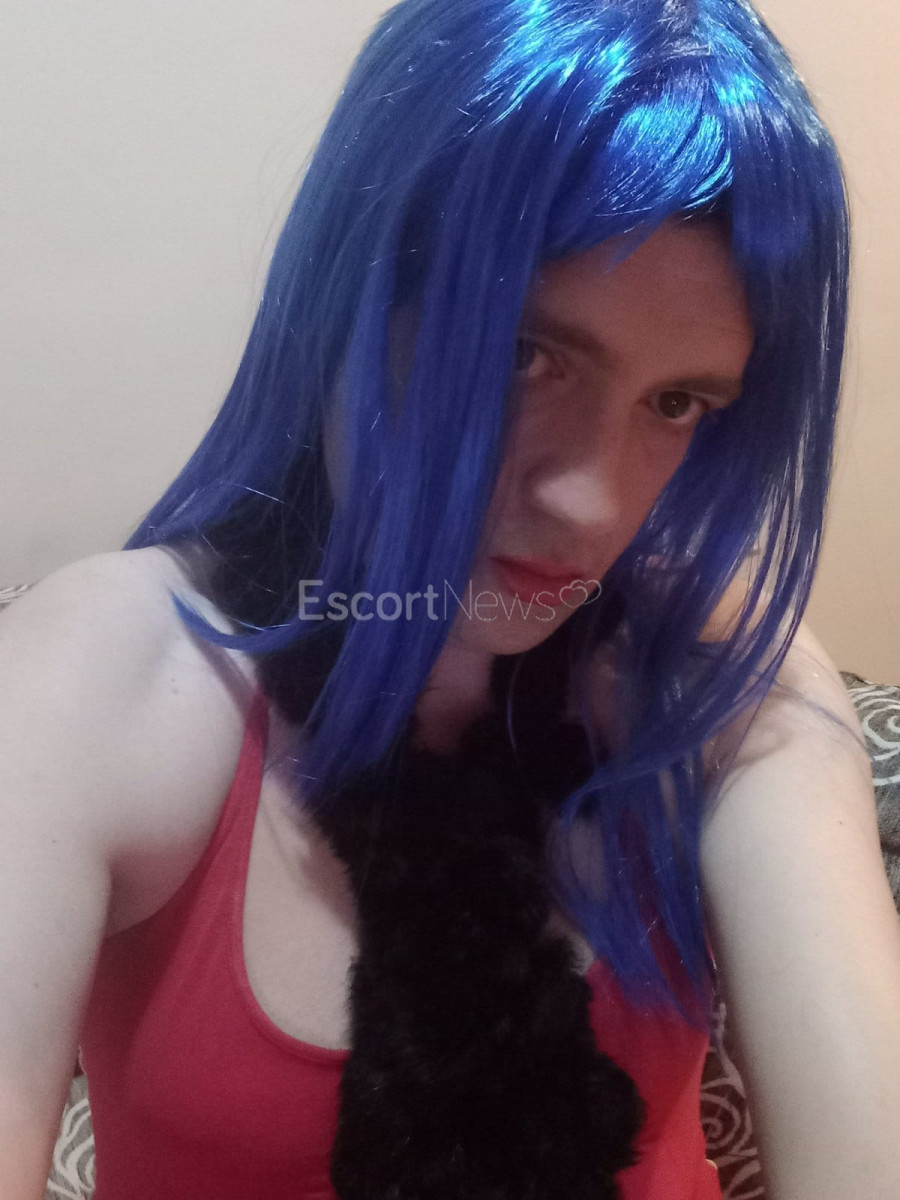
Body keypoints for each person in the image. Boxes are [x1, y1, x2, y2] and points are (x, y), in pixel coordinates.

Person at [3, 0, 900, 1196]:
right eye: (528, 355)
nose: (593, 502)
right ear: (349, 294)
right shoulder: (106, 675)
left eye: (677, 403)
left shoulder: (713, 673)